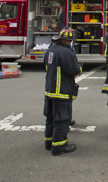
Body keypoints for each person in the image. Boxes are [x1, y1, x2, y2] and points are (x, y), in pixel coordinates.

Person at [43, 28, 82, 156]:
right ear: (67, 40)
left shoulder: (50, 50)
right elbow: (74, 70)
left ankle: (49, 142)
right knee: (62, 119)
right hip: (61, 91)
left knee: (50, 118)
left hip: (49, 90)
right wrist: (79, 69)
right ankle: (59, 146)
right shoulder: (66, 53)